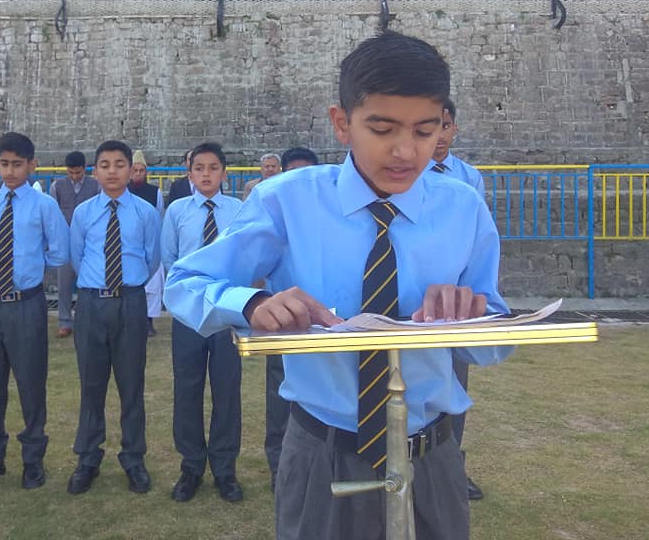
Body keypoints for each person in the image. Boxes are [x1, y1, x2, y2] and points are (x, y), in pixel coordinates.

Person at [165, 31, 513, 540]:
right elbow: (184, 281)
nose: (404, 150)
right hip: (322, 457)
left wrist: (472, 317)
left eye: (424, 131)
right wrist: (252, 302)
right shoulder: (287, 201)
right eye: (382, 128)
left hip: (432, 458)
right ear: (342, 122)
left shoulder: (463, 208)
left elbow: (495, 341)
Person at [0, 132, 69, 491]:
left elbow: (59, 251)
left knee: (30, 383)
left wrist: (28, 268)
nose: (10, 171)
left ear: (32, 165)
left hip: (26, 304)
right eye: (4, 164)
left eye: (17, 164)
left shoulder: (44, 206)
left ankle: (33, 459)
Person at [67, 140, 161, 496]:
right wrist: (99, 285)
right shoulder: (84, 213)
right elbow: (77, 256)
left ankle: (134, 459)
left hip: (130, 303)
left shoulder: (145, 213)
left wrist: (127, 286)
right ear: (95, 171)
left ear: (130, 169)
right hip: (92, 303)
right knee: (91, 385)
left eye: (119, 164)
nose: (112, 171)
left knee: (131, 385)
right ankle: (88, 458)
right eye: (104, 165)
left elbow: (152, 258)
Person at [161, 142, 245, 503]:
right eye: (199, 168)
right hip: (189, 314)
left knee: (227, 392)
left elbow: (244, 256)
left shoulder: (239, 210)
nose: (206, 174)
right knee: (187, 390)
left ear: (224, 173)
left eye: (213, 168)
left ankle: (225, 469)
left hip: (226, 314)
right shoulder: (177, 211)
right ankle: (191, 467)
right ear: (190, 173)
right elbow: (169, 258)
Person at [429, 99, 487, 501]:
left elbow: (478, 237)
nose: (439, 135)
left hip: (455, 302)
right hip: (413, 294)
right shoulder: (406, 176)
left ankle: (452, 469)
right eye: (432, 126)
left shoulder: (469, 178)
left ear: (454, 129)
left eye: (446, 126)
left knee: (454, 387)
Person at [263, 146, 320, 490]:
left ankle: (319, 465)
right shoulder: (273, 221)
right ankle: (279, 466)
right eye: (293, 173)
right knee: (279, 395)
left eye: (306, 173)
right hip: (283, 323)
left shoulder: (331, 223)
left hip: (323, 323)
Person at [49, 151, 100, 339]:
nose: (74, 176)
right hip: (65, 243)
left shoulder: (95, 186)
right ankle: (64, 322)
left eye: (78, 172)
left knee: (89, 285)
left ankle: (88, 321)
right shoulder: (57, 186)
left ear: (84, 169)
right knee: (63, 285)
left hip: (89, 244)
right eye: (71, 172)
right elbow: (53, 215)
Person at [128, 150, 165, 337]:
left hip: (149, 242)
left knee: (152, 285)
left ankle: (149, 322)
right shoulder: (123, 192)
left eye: (141, 170)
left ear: (146, 172)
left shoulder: (155, 192)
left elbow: (159, 216)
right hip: (129, 244)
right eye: (135, 170)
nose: (138, 174)